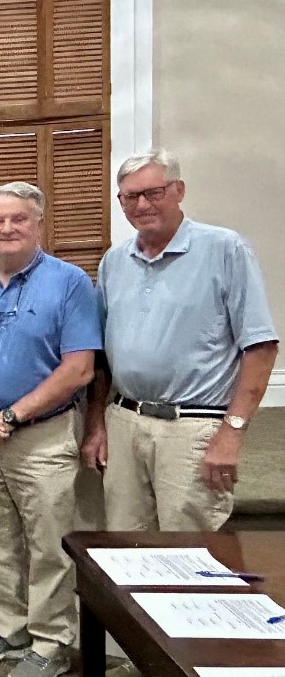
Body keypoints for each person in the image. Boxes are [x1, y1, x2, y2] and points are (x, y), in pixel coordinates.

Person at [0, 182, 101, 677]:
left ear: (38, 223)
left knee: (49, 543)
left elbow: (79, 369)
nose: (7, 229)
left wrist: (11, 417)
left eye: (19, 219)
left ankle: (51, 643)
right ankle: (4, 628)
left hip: (43, 437)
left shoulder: (70, 283)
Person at [84, 150, 278, 533]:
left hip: (192, 428)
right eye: (129, 196)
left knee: (191, 558)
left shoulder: (226, 249)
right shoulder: (114, 262)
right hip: (125, 422)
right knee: (126, 551)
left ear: (179, 190)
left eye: (153, 192)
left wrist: (232, 432)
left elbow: (260, 347)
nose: (142, 204)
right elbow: (102, 356)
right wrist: (97, 423)